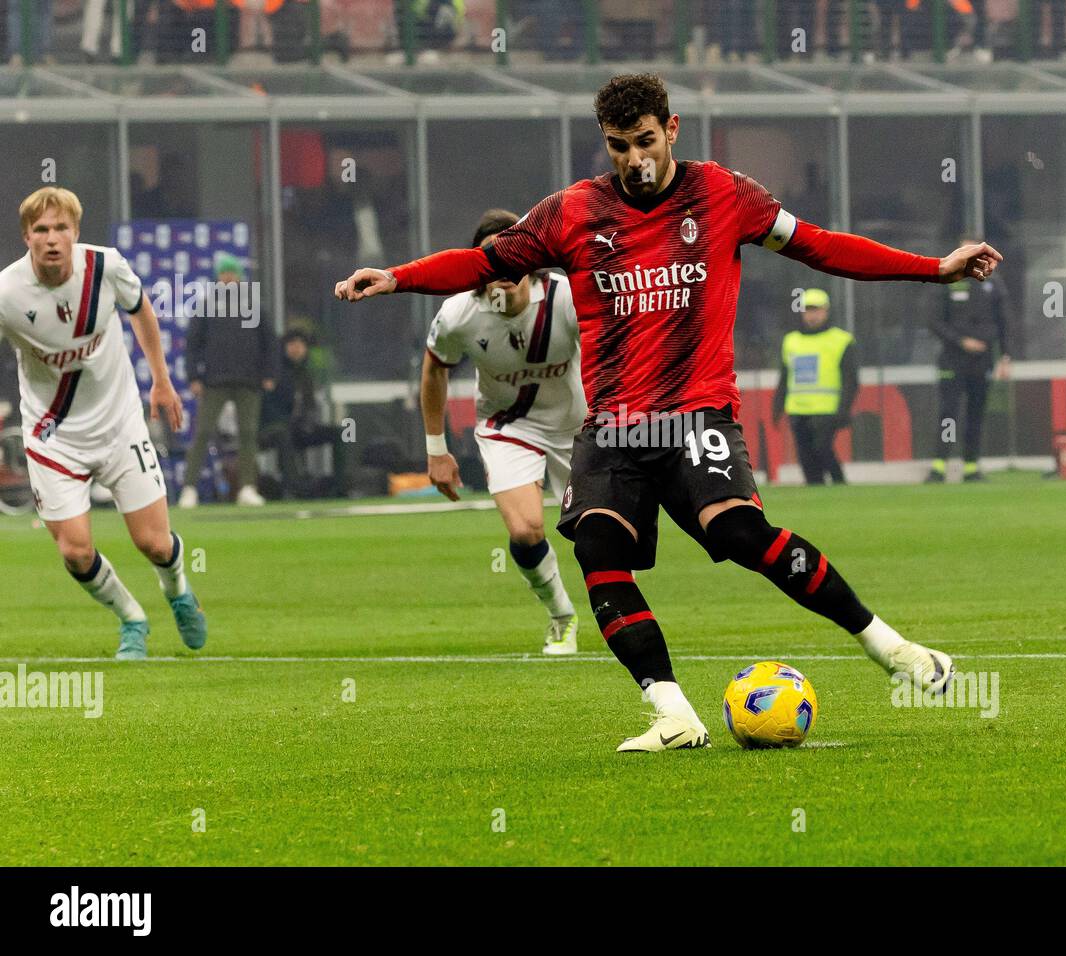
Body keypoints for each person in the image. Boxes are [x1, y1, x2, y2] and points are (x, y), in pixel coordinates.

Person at [338, 72, 1000, 752]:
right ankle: (673, 713)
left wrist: (934, 268)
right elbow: (482, 262)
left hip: (695, 412)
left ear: (672, 129)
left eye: (646, 141)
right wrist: (398, 278)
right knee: (597, 546)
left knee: (742, 534)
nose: (635, 159)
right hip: (614, 425)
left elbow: (821, 245)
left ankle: (893, 650)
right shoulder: (571, 212)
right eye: (619, 146)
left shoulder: (724, 195)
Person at [0, 187, 207, 660]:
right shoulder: (8, 293)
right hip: (52, 438)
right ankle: (132, 618)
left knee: (154, 543)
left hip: (119, 425)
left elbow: (141, 313)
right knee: (74, 551)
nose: (52, 238)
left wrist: (161, 380)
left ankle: (177, 591)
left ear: (76, 231)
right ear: (26, 237)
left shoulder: (106, 267)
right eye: (41, 230)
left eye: (61, 228)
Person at [417, 208, 585, 657]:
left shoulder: (566, 299)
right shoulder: (458, 314)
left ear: (531, 258)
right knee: (527, 529)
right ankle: (561, 616)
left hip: (576, 427)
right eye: (494, 258)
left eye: (515, 253)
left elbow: (611, 351)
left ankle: (619, 619)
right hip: (508, 427)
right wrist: (437, 450)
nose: (506, 266)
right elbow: (435, 369)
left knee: (597, 535)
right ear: (479, 267)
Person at [179, 251, 277, 508]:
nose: (228, 279)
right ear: (217, 278)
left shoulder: (254, 304)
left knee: (248, 433)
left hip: (248, 380)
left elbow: (269, 341)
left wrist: (268, 373)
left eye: (232, 274)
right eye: (224, 274)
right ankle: (189, 489)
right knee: (202, 433)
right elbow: (193, 344)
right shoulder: (207, 305)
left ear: (240, 277)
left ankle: (247, 487)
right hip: (215, 381)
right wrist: (194, 376)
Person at [925, 244, 1010, 482]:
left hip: (982, 361)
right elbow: (933, 320)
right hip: (952, 360)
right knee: (949, 413)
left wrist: (1005, 355)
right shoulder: (946, 278)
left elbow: (1004, 321)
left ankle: (971, 466)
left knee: (976, 413)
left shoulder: (993, 283)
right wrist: (961, 341)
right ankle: (939, 466)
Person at [771, 288, 857, 486]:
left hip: (827, 409)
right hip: (798, 409)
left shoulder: (841, 340)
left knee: (822, 449)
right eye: (808, 310)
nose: (812, 315)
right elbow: (785, 378)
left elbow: (851, 381)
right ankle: (817, 490)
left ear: (826, 311)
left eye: (816, 310)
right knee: (806, 457)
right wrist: (778, 406)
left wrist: (844, 410)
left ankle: (839, 482)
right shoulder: (791, 341)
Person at [258, 329, 345, 499]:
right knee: (283, 434)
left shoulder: (306, 374)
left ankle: (340, 486)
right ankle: (296, 488)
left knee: (342, 434)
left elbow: (310, 406)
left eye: (300, 345)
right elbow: (266, 406)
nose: (296, 349)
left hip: (300, 428)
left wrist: (308, 423)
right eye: (292, 345)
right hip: (272, 428)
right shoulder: (275, 373)